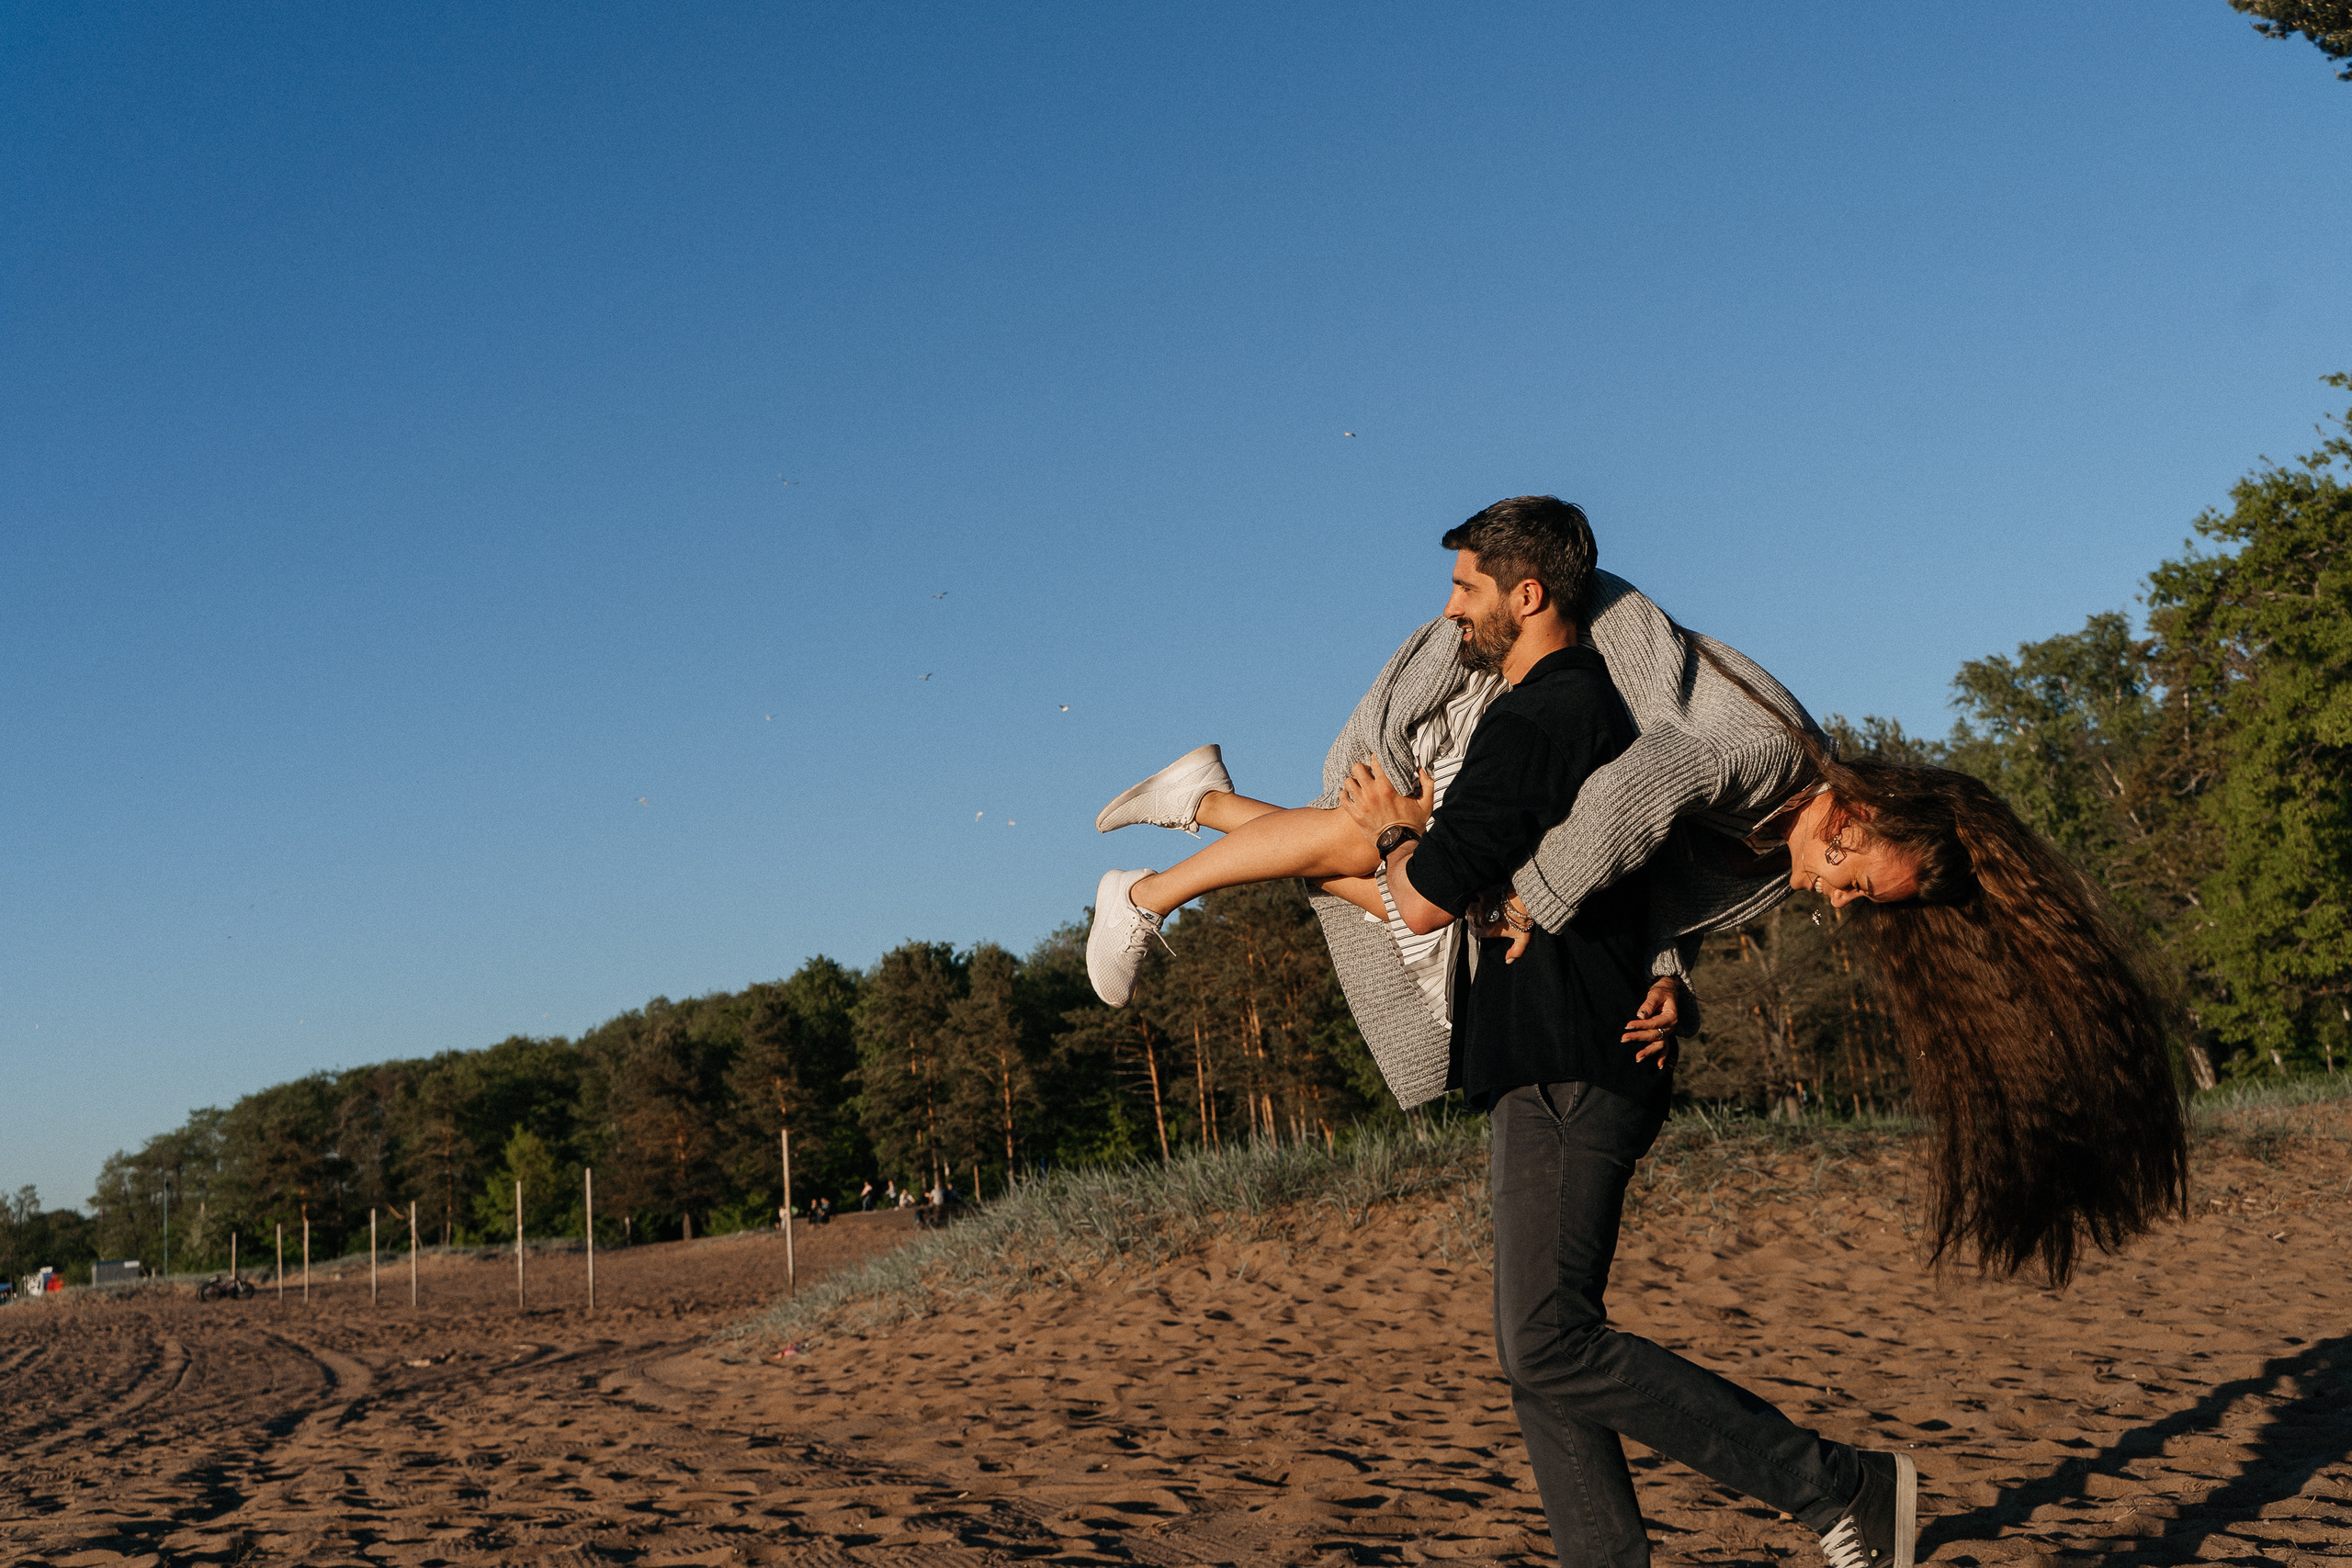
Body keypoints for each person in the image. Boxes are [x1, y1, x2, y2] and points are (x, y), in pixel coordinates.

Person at [1087, 495, 2187, 1568]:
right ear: (1853, 817)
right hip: (1562, 1044)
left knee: (1547, 1339)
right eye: (1855, 877)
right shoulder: (1771, 763)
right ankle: (1196, 824)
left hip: (1580, 1058)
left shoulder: (1769, 827)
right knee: (1540, 1350)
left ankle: (1836, 1484)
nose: (1839, 899)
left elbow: (1640, 847)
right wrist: (1607, 938)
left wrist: (1592, 934)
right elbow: (1653, 788)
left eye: (1860, 899)